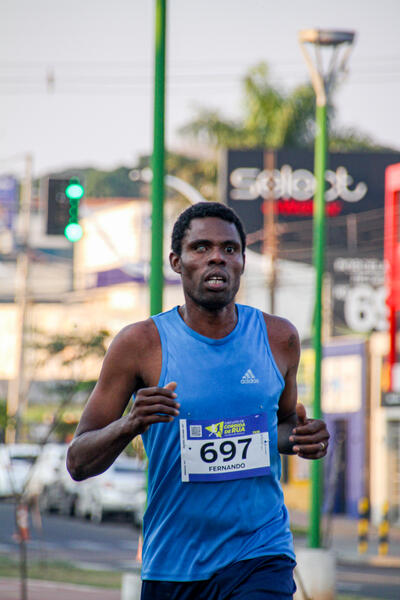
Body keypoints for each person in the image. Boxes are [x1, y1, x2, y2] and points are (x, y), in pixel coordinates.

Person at [67, 202, 330, 600]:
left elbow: (280, 427)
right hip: (174, 561)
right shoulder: (140, 344)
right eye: (201, 248)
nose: (216, 259)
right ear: (176, 261)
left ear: (242, 261)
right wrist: (130, 424)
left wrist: (303, 437)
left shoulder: (279, 339)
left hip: (259, 552)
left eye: (229, 249)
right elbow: (78, 462)